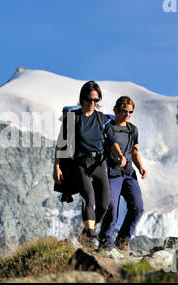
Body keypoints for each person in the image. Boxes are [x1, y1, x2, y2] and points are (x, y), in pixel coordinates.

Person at [53, 81, 126, 245]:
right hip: (80, 163)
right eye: (89, 100)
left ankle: (86, 233)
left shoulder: (101, 118)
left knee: (105, 204)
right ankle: (91, 236)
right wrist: (56, 166)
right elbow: (61, 143)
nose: (93, 103)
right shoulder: (73, 118)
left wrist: (120, 155)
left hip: (99, 163)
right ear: (82, 99)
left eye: (96, 100)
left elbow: (112, 140)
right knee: (89, 198)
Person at [98, 96, 147, 252]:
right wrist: (119, 156)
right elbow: (112, 146)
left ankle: (123, 239)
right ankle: (105, 241)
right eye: (124, 111)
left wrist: (140, 167)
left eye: (130, 112)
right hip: (111, 172)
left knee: (137, 207)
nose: (127, 115)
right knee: (111, 206)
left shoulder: (133, 130)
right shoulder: (108, 128)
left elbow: (134, 151)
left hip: (128, 173)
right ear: (116, 110)